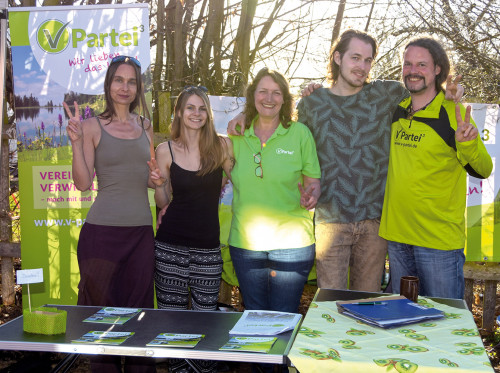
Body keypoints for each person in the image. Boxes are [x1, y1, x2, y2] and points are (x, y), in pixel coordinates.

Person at [228, 29, 461, 293]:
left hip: (375, 222)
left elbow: (426, 91)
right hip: (330, 221)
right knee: (330, 304)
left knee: (367, 305)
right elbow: (279, 124)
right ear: (338, 58)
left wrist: (452, 92)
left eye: (368, 60)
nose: (362, 67)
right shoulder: (313, 103)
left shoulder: (388, 94)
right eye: (355, 58)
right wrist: (244, 115)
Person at [379, 37, 492, 299]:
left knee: (444, 324)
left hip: (437, 243)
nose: (413, 70)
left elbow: (483, 169)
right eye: (407, 64)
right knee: (403, 320)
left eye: (421, 64)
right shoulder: (397, 110)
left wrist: (468, 144)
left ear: (438, 69)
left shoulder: (453, 112)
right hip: (397, 238)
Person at [64, 55, 156, 373]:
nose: (124, 87)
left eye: (131, 81)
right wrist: (76, 144)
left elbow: (148, 177)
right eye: (119, 80)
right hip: (101, 235)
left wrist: (158, 182)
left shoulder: (146, 126)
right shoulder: (90, 126)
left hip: (141, 234)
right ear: (109, 84)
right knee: (101, 320)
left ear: (138, 88)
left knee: (139, 317)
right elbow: (83, 183)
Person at [148, 86, 233, 373]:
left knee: (204, 323)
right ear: (179, 113)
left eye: (201, 108)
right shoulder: (165, 150)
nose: (196, 113)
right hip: (170, 247)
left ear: (208, 114)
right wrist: (159, 185)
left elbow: (242, 180)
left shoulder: (222, 147)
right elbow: (163, 203)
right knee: (173, 323)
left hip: (208, 250)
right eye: (190, 108)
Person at [228, 67, 321, 314]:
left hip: (292, 245)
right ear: (252, 96)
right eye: (263, 92)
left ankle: (283, 356)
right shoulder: (236, 135)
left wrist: (311, 196)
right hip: (246, 245)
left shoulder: (300, 133)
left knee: (283, 317)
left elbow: (314, 183)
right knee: (254, 316)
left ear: (285, 98)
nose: (269, 99)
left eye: (276, 93)